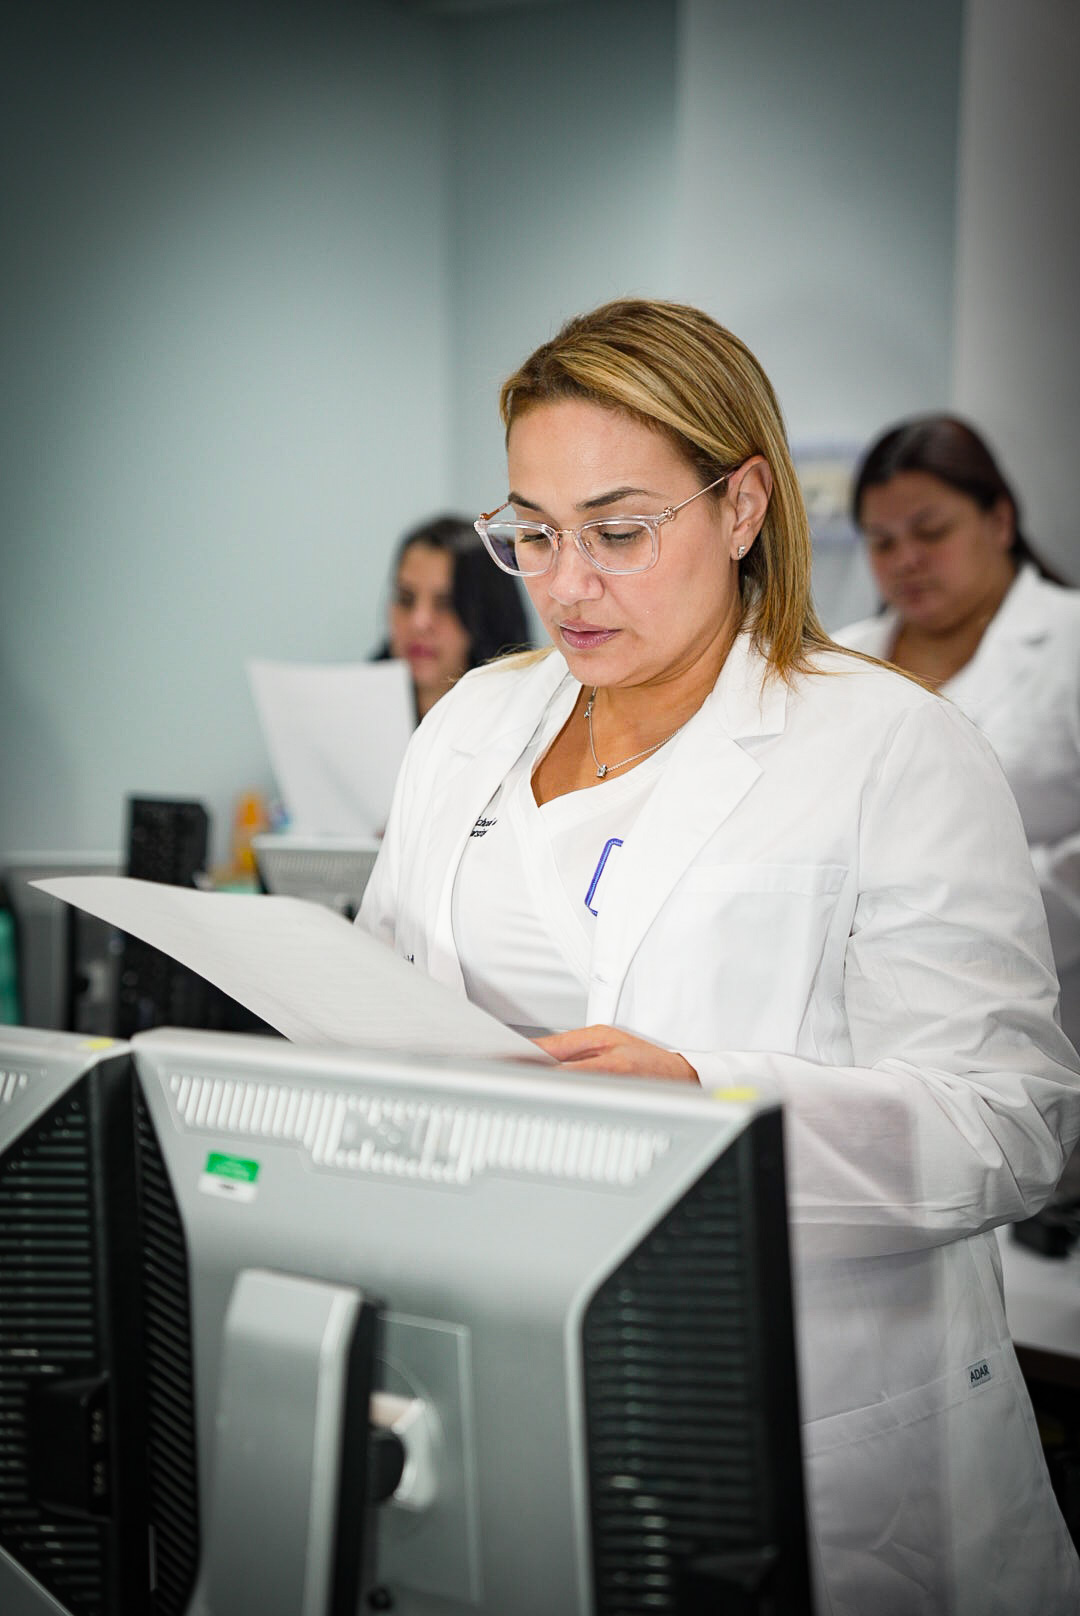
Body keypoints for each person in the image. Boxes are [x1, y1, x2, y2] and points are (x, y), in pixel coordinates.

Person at [359, 300, 1080, 1614]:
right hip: (510, 1376)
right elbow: (380, 1000)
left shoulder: (887, 746)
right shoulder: (472, 724)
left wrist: (703, 1108)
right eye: (532, 531)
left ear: (743, 505)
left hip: (819, 1432)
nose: (565, 584)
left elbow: (1012, 1123)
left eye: (620, 531)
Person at [836, 417, 1080, 1057]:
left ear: (999, 520)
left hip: (1043, 1015)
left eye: (932, 532)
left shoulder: (1069, 643)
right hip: (867, 1029)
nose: (907, 560)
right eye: (882, 542)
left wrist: (980, 908)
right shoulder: (836, 664)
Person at [375, 514, 531, 720]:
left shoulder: (529, 719)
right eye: (406, 599)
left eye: (445, 604)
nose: (419, 622)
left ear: (488, 614)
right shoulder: (349, 711)